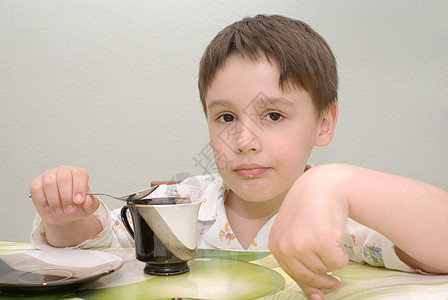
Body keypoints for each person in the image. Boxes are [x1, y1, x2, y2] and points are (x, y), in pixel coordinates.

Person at [29, 15, 448, 300]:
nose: (244, 140)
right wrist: (65, 218)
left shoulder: (338, 216)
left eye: (273, 115)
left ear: (324, 122)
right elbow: (99, 250)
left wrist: (337, 182)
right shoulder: (181, 204)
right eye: (226, 116)